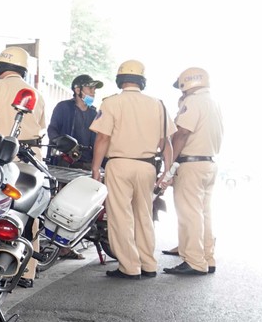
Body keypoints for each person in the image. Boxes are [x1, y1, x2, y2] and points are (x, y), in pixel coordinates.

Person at [89, 60, 174, 281]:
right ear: (142, 81)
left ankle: (129, 266)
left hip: (119, 164)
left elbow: (103, 137)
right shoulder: (158, 105)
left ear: (120, 80)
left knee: (120, 216)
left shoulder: (111, 103)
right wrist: (167, 171)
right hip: (147, 166)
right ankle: (148, 264)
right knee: (144, 216)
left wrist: (96, 168)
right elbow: (166, 142)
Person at [0, 47, 47, 286]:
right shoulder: (37, 93)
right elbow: (41, 126)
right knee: (27, 213)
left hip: (3, 156)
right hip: (33, 157)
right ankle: (26, 271)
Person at [159, 67, 223, 276]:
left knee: (189, 213)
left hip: (191, 164)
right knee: (204, 212)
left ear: (189, 84)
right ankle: (207, 257)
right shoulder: (213, 102)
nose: (181, 92)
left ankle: (195, 261)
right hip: (209, 163)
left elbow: (182, 133)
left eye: (181, 87)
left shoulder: (193, 101)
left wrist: (169, 164)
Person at [47, 74, 103, 170]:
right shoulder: (63, 107)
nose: (93, 93)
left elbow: (99, 139)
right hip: (65, 163)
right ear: (77, 90)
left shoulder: (95, 114)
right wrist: (63, 144)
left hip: (87, 164)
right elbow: (52, 130)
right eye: (90, 89)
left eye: (94, 90)